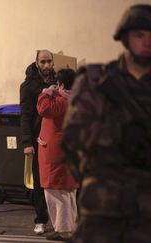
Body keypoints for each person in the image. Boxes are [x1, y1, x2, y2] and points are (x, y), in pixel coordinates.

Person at [62, 4, 151, 242]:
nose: (147, 42)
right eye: (139, 35)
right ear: (125, 38)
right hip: (103, 204)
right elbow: (72, 139)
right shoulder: (96, 81)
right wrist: (118, 135)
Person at [36, 68, 78, 241]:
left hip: (55, 153)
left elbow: (43, 109)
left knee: (56, 192)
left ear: (61, 84)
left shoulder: (62, 100)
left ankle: (64, 231)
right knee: (67, 192)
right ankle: (69, 228)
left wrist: (46, 92)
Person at [19, 49, 54, 234]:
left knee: (55, 180)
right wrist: (27, 143)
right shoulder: (29, 86)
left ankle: (59, 219)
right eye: (43, 62)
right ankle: (40, 219)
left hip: (54, 138)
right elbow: (25, 116)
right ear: (36, 63)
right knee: (38, 181)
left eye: (49, 62)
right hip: (36, 138)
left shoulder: (57, 82)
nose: (46, 65)